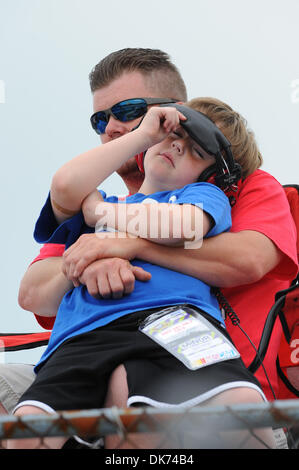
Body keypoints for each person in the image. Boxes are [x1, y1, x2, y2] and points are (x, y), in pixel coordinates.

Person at [1, 48, 297, 441]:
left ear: (175, 112)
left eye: (128, 110)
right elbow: (34, 292)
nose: (110, 127)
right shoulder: (100, 202)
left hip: (205, 384)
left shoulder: (235, 186)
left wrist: (129, 246)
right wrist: (91, 262)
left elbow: (247, 260)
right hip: (85, 364)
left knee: (131, 388)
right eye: (100, 119)